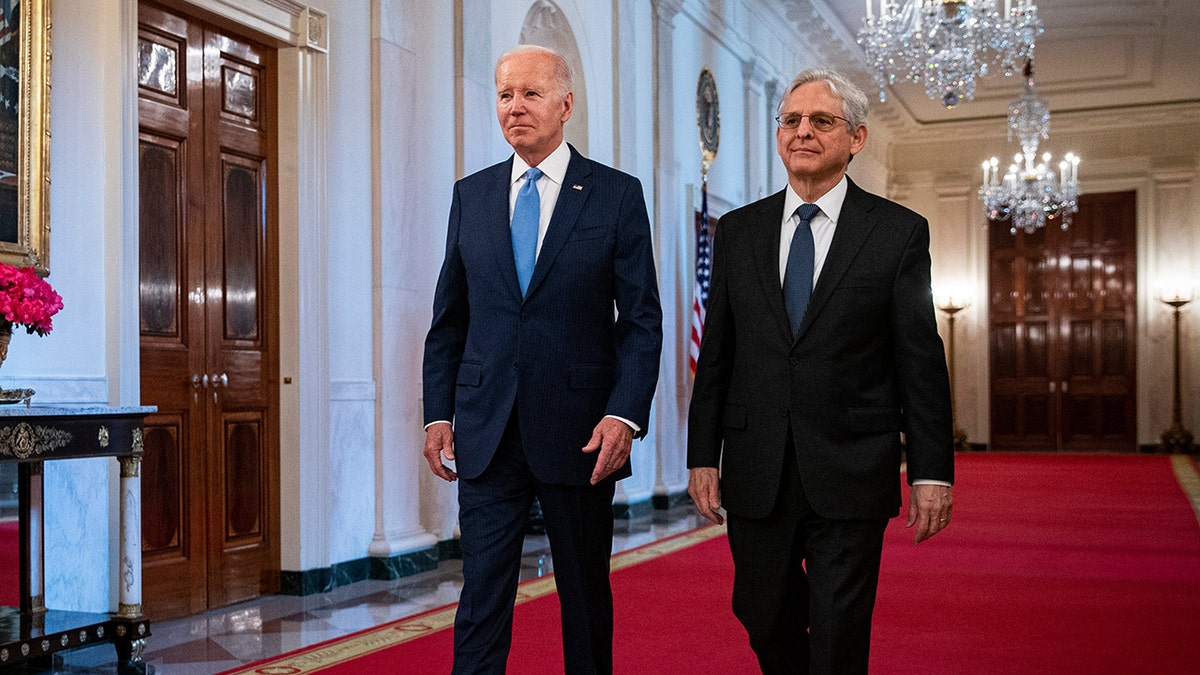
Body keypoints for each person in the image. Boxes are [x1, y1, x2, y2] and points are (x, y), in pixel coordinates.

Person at [687, 67, 955, 674]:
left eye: (821, 121)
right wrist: (703, 455)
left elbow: (919, 358)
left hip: (852, 463)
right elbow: (719, 355)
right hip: (758, 465)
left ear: (856, 138)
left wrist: (933, 470)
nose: (802, 132)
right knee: (761, 613)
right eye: (791, 120)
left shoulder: (897, 234)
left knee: (839, 628)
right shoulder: (738, 231)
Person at [422, 44, 662, 675]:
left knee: (583, 598)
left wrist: (626, 415)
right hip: (486, 429)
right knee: (481, 596)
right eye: (505, 94)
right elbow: (449, 320)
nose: (515, 107)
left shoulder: (615, 195)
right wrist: (436, 414)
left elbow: (640, 322)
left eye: (530, 94)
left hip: (583, 434)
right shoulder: (470, 196)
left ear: (566, 104)